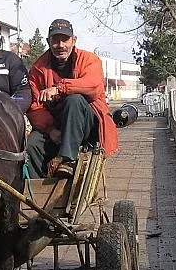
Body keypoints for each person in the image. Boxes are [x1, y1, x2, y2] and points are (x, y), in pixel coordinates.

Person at [25, 18, 118, 178]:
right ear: (48, 41)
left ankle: (68, 160)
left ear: (73, 40)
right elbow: (35, 106)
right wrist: (51, 130)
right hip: (56, 126)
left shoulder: (89, 60)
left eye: (65, 39)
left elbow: (93, 87)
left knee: (74, 99)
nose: (60, 45)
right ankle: (35, 193)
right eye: (55, 40)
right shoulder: (37, 69)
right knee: (32, 144)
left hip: (87, 126)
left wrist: (60, 88)